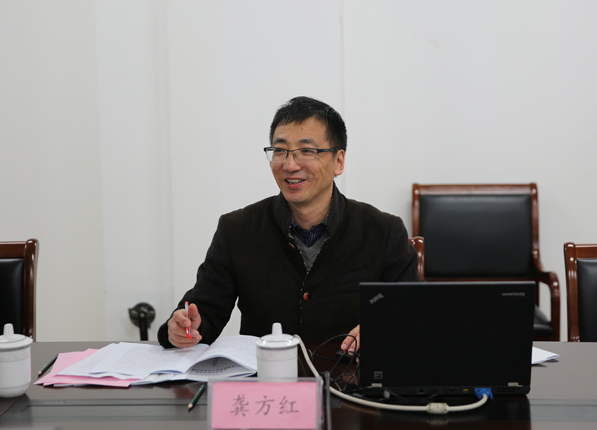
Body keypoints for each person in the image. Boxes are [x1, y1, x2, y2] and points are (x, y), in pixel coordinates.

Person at [157, 96, 419, 353]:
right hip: (265, 376)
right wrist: (182, 328)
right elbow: (204, 311)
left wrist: (385, 327)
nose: (290, 165)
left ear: (338, 161)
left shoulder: (382, 231)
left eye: (307, 151)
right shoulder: (237, 229)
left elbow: (416, 313)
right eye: (280, 151)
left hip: (348, 376)